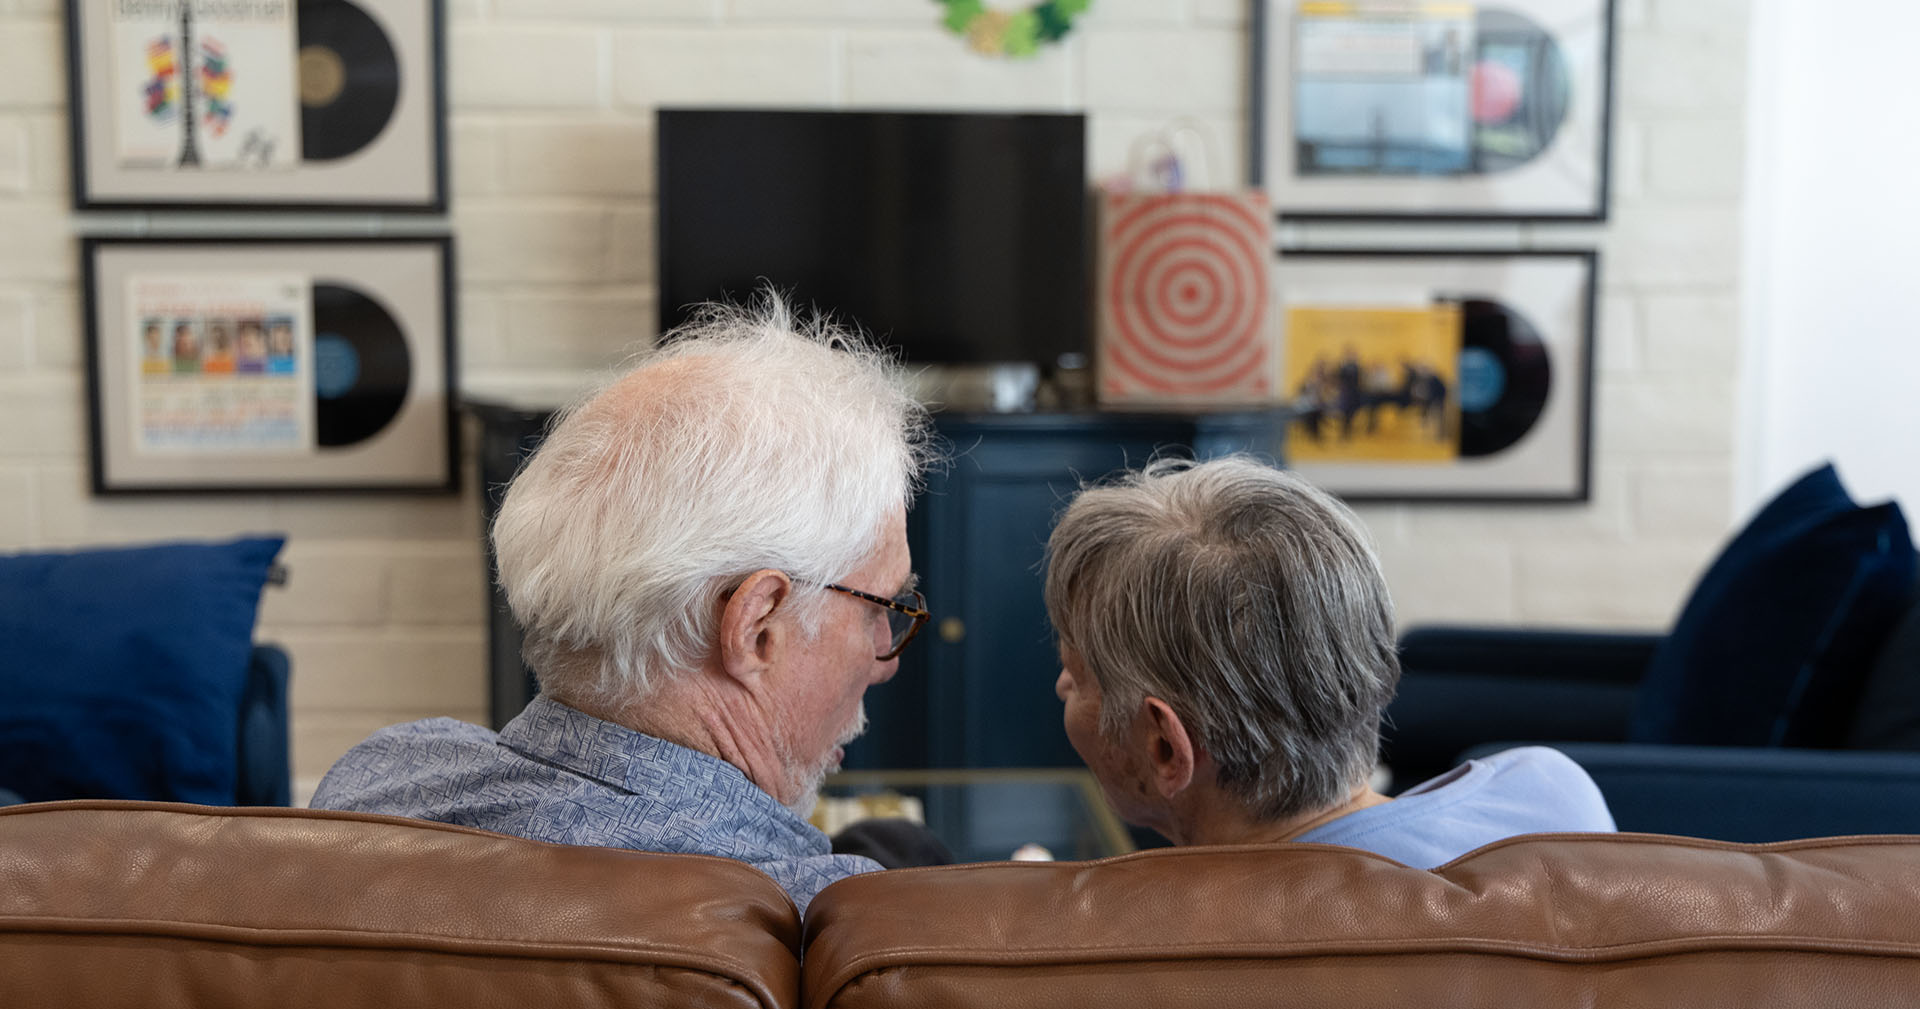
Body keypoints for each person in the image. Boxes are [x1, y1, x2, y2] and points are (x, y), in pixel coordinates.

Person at [315, 297, 935, 910]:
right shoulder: (827, 924)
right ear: (755, 628)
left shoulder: (372, 789)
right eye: (878, 607)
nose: (887, 659)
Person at [1044, 455, 1614, 864]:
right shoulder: (1554, 798)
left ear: (1166, 747)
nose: (1063, 686)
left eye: (1079, 670)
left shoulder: (1146, 962)